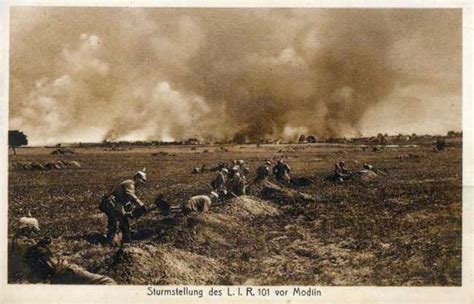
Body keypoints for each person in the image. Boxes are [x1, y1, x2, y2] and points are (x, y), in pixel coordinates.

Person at [100, 169, 147, 244]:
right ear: (137, 178)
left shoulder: (131, 186)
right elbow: (131, 196)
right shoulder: (130, 183)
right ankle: (109, 242)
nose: (142, 183)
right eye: (142, 181)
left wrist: (130, 212)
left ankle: (126, 240)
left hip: (116, 204)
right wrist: (141, 205)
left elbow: (127, 201)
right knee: (114, 222)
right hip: (111, 203)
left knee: (123, 222)